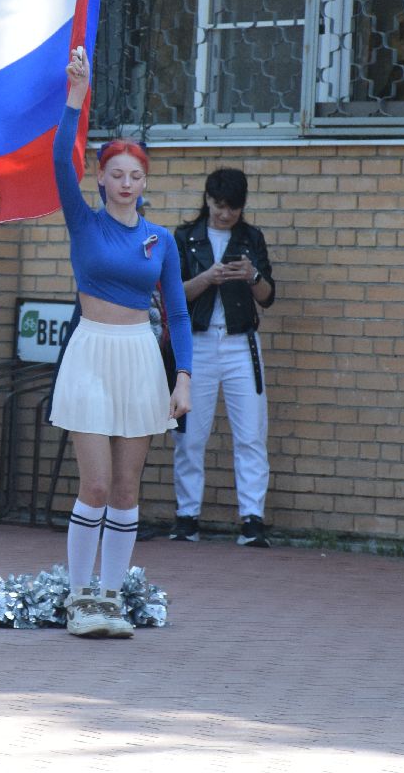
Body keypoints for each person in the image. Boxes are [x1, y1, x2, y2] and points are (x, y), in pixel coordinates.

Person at [50, 47, 193, 639]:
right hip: (91, 352)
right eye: (116, 175)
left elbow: (177, 312)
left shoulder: (161, 240)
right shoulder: (84, 221)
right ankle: (78, 597)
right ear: (101, 179)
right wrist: (75, 97)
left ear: (145, 182)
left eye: (136, 176)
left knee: (129, 488)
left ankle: (110, 599)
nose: (126, 184)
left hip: (140, 356)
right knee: (96, 484)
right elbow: (59, 158)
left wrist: (183, 377)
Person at [172, 168, 277, 546]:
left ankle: (252, 519)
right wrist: (207, 279)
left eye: (233, 208)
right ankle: (187, 516)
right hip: (197, 342)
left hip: (240, 341)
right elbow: (173, 294)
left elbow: (268, 297)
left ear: (242, 206)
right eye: (218, 206)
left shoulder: (251, 238)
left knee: (251, 433)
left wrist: (251, 275)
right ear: (207, 200)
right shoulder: (185, 237)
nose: (224, 214)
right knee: (189, 435)